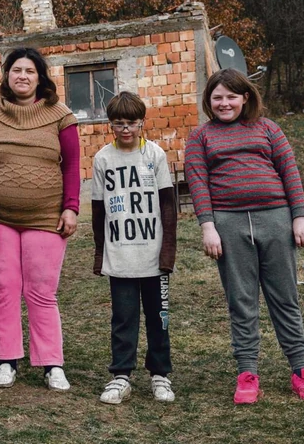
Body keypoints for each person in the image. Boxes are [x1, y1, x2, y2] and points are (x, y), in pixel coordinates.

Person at [185, 68, 304, 405]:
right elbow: (198, 183)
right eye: (217, 97)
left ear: (245, 97)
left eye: (231, 96)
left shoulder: (268, 129)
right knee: (242, 301)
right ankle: (247, 374)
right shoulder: (200, 137)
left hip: (275, 220)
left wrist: (299, 217)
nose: (224, 103)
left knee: (285, 298)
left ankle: (301, 370)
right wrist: (208, 226)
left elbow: (289, 171)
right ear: (209, 101)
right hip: (229, 226)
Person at [0, 47, 81, 392]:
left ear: (40, 77)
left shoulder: (61, 116)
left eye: (30, 71)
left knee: (41, 291)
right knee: (3, 289)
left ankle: (52, 364)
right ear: (7, 76)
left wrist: (71, 207)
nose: (23, 77)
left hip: (46, 217)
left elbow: (73, 166)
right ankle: (6, 360)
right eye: (16, 70)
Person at [91, 92, 177, 405]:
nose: (125, 129)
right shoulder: (102, 158)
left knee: (159, 318)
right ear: (110, 124)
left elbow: (168, 209)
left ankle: (160, 375)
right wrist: (101, 255)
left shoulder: (154, 155)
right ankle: (121, 375)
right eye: (119, 123)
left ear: (142, 122)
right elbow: (98, 211)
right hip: (121, 256)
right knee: (123, 318)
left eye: (131, 123)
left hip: (153, 257)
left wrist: (167, 253)